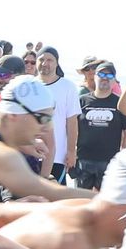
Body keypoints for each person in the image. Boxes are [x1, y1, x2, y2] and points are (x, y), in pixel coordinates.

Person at [0, 78, 93, 205]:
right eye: (43, 119)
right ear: (14, 115)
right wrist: (111, 200)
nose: (47, 128)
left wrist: (22, 144)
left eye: (50, 119)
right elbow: (52, 192)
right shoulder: (1, 155)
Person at [71, 61, 126, 190]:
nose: (105, 78)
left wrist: (123, 160)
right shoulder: (81, 100)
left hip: (109, 162)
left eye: (110, 75)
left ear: (114, 80)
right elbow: (71, 129)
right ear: (94, 76)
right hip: (84, 160)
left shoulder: (120, 104)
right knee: (81, 202)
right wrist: (71, 153)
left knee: (105, 203)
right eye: (101, 74)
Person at [35, 46, 81, 181]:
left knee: (54, 197)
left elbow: (72, 122)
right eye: (41, 59)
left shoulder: (68, 87)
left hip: (57, 156)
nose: (45, 63)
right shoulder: (29, 85)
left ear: (56, 63)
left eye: (49, 60)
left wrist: (71, 152)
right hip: (30, 153)